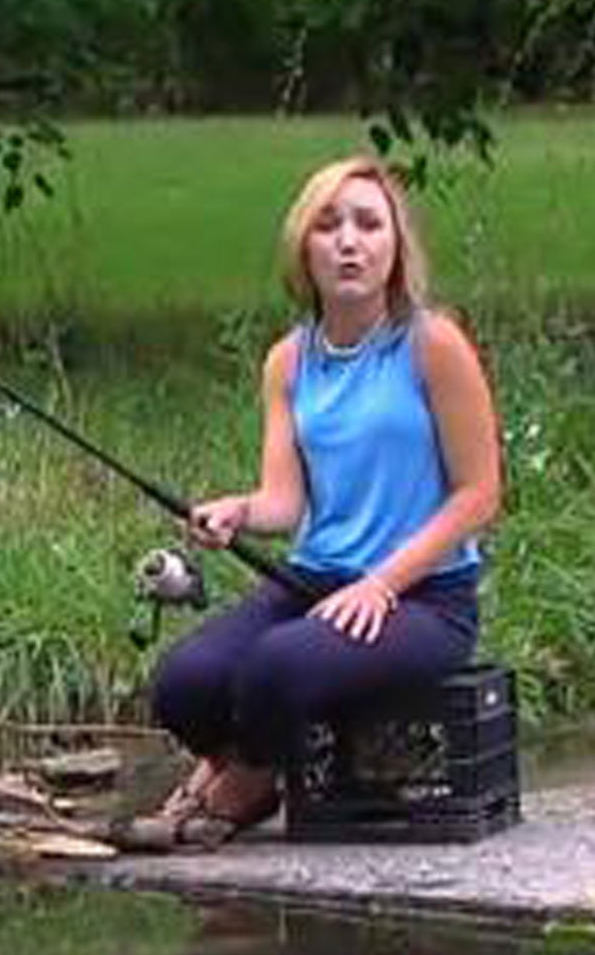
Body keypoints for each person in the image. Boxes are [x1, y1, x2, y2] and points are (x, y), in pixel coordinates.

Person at [148, 155, 504, 835]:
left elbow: (479, 493)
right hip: (314, 580)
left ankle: (241, 785)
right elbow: (285, 502)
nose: (348, 241)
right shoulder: (288, 360)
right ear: (302, 247)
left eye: (369, 224)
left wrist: (382, 584)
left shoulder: (434, 344)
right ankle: (246, 770)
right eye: (328, 225)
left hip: (423, 597)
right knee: (184, 682)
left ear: (396, 247)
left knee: (276, 667)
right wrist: (238, 511)